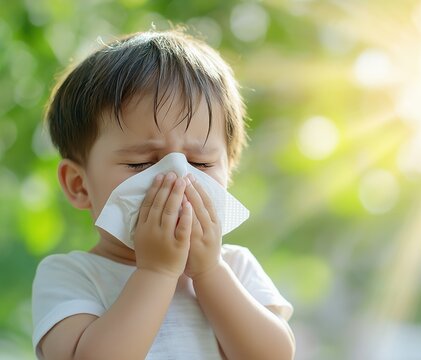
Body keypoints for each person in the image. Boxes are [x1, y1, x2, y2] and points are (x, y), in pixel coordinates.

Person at [31, 28, 295, 360]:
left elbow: (274, 355)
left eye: (200, 162)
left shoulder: (236, 266)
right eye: (140, 163)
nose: (178, 177)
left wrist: (209, 272)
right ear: (79, 185)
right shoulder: (72, 276)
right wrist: (156, 273)